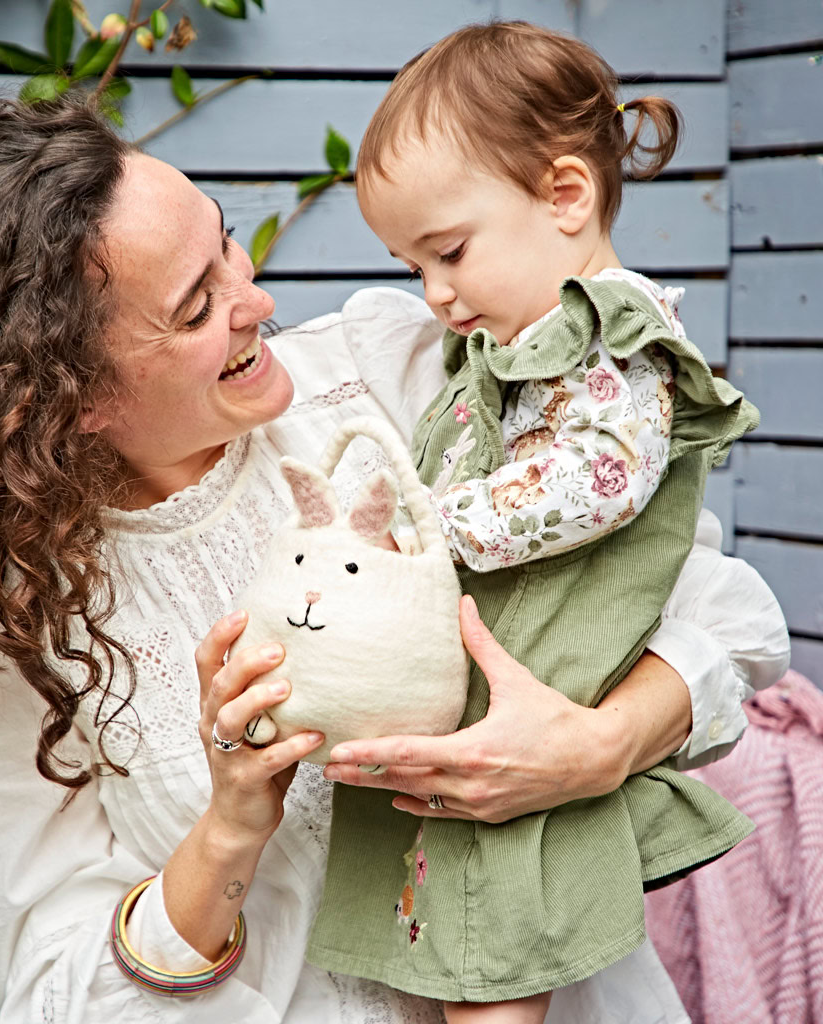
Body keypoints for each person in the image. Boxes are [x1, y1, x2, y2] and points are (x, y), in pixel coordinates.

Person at [0, 95, 788, 1024]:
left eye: (224, 241)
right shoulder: (19, 626)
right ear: (65, 397)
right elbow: (56, 990)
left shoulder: (391, 372)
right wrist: (229, 828)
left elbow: (721, 610)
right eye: (195, 308)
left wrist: (591, 748)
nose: (257, 299)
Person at [303, 22, 760, 1024]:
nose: (434, 294)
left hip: (549, 692)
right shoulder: (516, 342)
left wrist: (431, 529)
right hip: (500, 707)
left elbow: (597, 475)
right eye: (410, 263)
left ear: (565, 196)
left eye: (449, 252)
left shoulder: (614, 333)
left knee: (494, 960)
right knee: (459, 953)